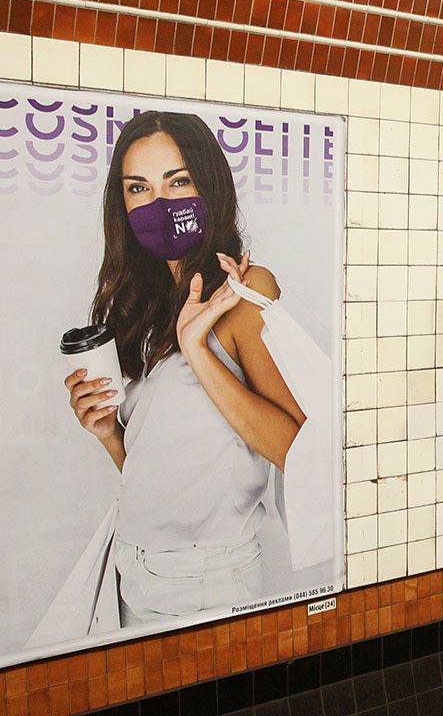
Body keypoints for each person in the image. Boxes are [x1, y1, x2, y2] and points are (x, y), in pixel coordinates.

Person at [61, 111, 306, 627]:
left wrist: (197, 350)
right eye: (138, 188)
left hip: (205, 580)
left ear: (209, 184)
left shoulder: (244, 289)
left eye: (178, 181)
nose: (159, 203)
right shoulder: (144, 303)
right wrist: (110, 434)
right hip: (132, 565)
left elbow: (296, 448)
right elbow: (165, 474)